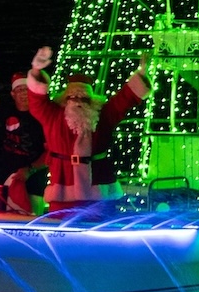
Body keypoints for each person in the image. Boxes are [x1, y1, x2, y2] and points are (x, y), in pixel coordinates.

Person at [25, 46, 151, 207]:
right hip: (63, 189)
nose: (77, 100)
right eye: (72, 97)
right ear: (64, 98)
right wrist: (36, 71)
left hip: (99, 190)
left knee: (101, 227)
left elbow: (124, 99)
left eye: (83, 98)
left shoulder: (103, 115)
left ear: (91, 100)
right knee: (62, 227)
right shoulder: (53, 115)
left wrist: (141, 74)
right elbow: (36, 101)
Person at [0, 48, 49, 216]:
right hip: (7, 178)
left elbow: (51, 151)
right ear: (13, 94)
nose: (24, 94)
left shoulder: (43, 113)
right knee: (6, 219)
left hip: (33, 179)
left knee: (31, 222)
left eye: (27, 90)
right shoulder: (6, 109)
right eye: (19, 90)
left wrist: (30, 170)